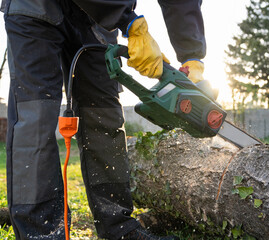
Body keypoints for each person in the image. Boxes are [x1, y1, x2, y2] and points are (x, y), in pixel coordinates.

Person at [0, 0, 206, 239]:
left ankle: (118, 225)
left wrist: (192, 54)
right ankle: (41, 230)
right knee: (35, 117)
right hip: (35, 7)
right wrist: (128, 21)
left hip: (100, 20)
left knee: (105, 114)